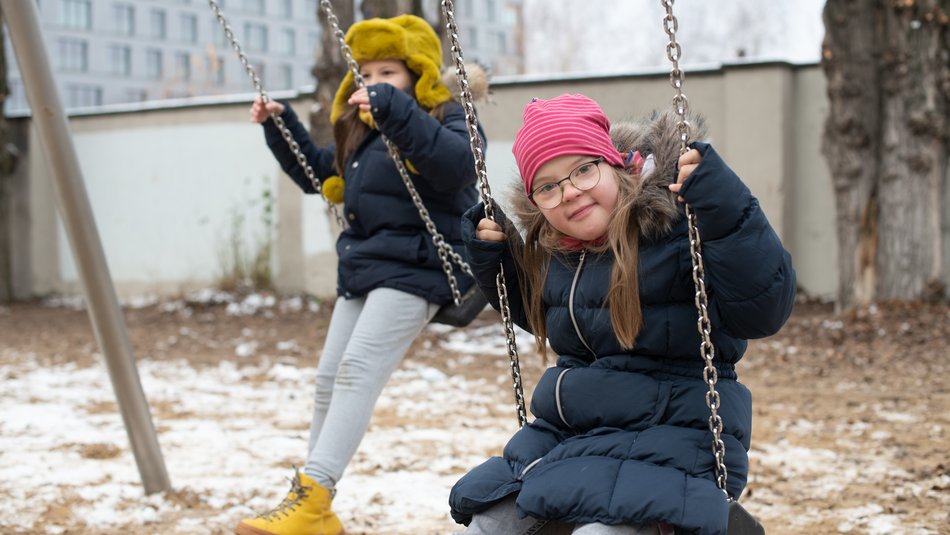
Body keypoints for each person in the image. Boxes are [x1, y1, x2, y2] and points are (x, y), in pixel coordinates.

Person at [448, 94, 796, 535]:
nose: (569, 191)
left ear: (612, 162)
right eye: (548, 186)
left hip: (674, 432)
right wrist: (495, 260)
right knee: (488, 523)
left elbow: (765, 308)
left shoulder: (677, 225)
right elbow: (548, 316)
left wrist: (724, 208)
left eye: (582, 170)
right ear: (535, 202)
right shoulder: (557, 250)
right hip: (573, 433)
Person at [234, 14, 484, 535]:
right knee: (328, 379)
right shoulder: (362, 136)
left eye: (387, 74)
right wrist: (283, 130)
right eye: (365, 75)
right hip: (367, 268)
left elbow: (456, 167)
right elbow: (320, 172)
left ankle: (315, 490)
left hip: (419, 267)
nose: (374, 85)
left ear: (417, 74)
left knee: (356, 373)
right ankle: (315, 510)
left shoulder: (445, 115)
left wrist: (395, 112)